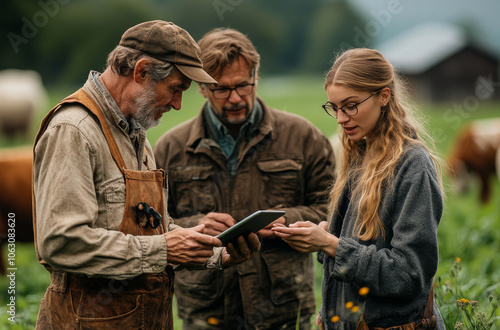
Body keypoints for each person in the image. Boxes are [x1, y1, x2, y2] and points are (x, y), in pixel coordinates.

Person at [32, 20, 260, 330]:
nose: (178, 104)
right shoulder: (74, 130)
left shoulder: (135, 130)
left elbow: (149, 228)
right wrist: (164, 248)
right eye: (176, 88)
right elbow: (60, 242)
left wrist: (215, 252)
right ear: (141, 72)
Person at [153, 28, 335, 329]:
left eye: (244, 86)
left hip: (283, 306)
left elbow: (334, 210)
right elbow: (150, 223)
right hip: (206, 309)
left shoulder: (304, 138)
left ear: (256, 76)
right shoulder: (170, 148)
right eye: (221, 89)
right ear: (201, 87)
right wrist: (194, 226)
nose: (235, 98)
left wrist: (285, 221)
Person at [272, 48, 446, 330]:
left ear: (384, 96)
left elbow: (409, 274)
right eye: (335, 107)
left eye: (350, 105)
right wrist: (325, 235)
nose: (340, 118)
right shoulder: (360, 153)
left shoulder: (413, 165)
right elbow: (365, 245)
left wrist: (331, 244)